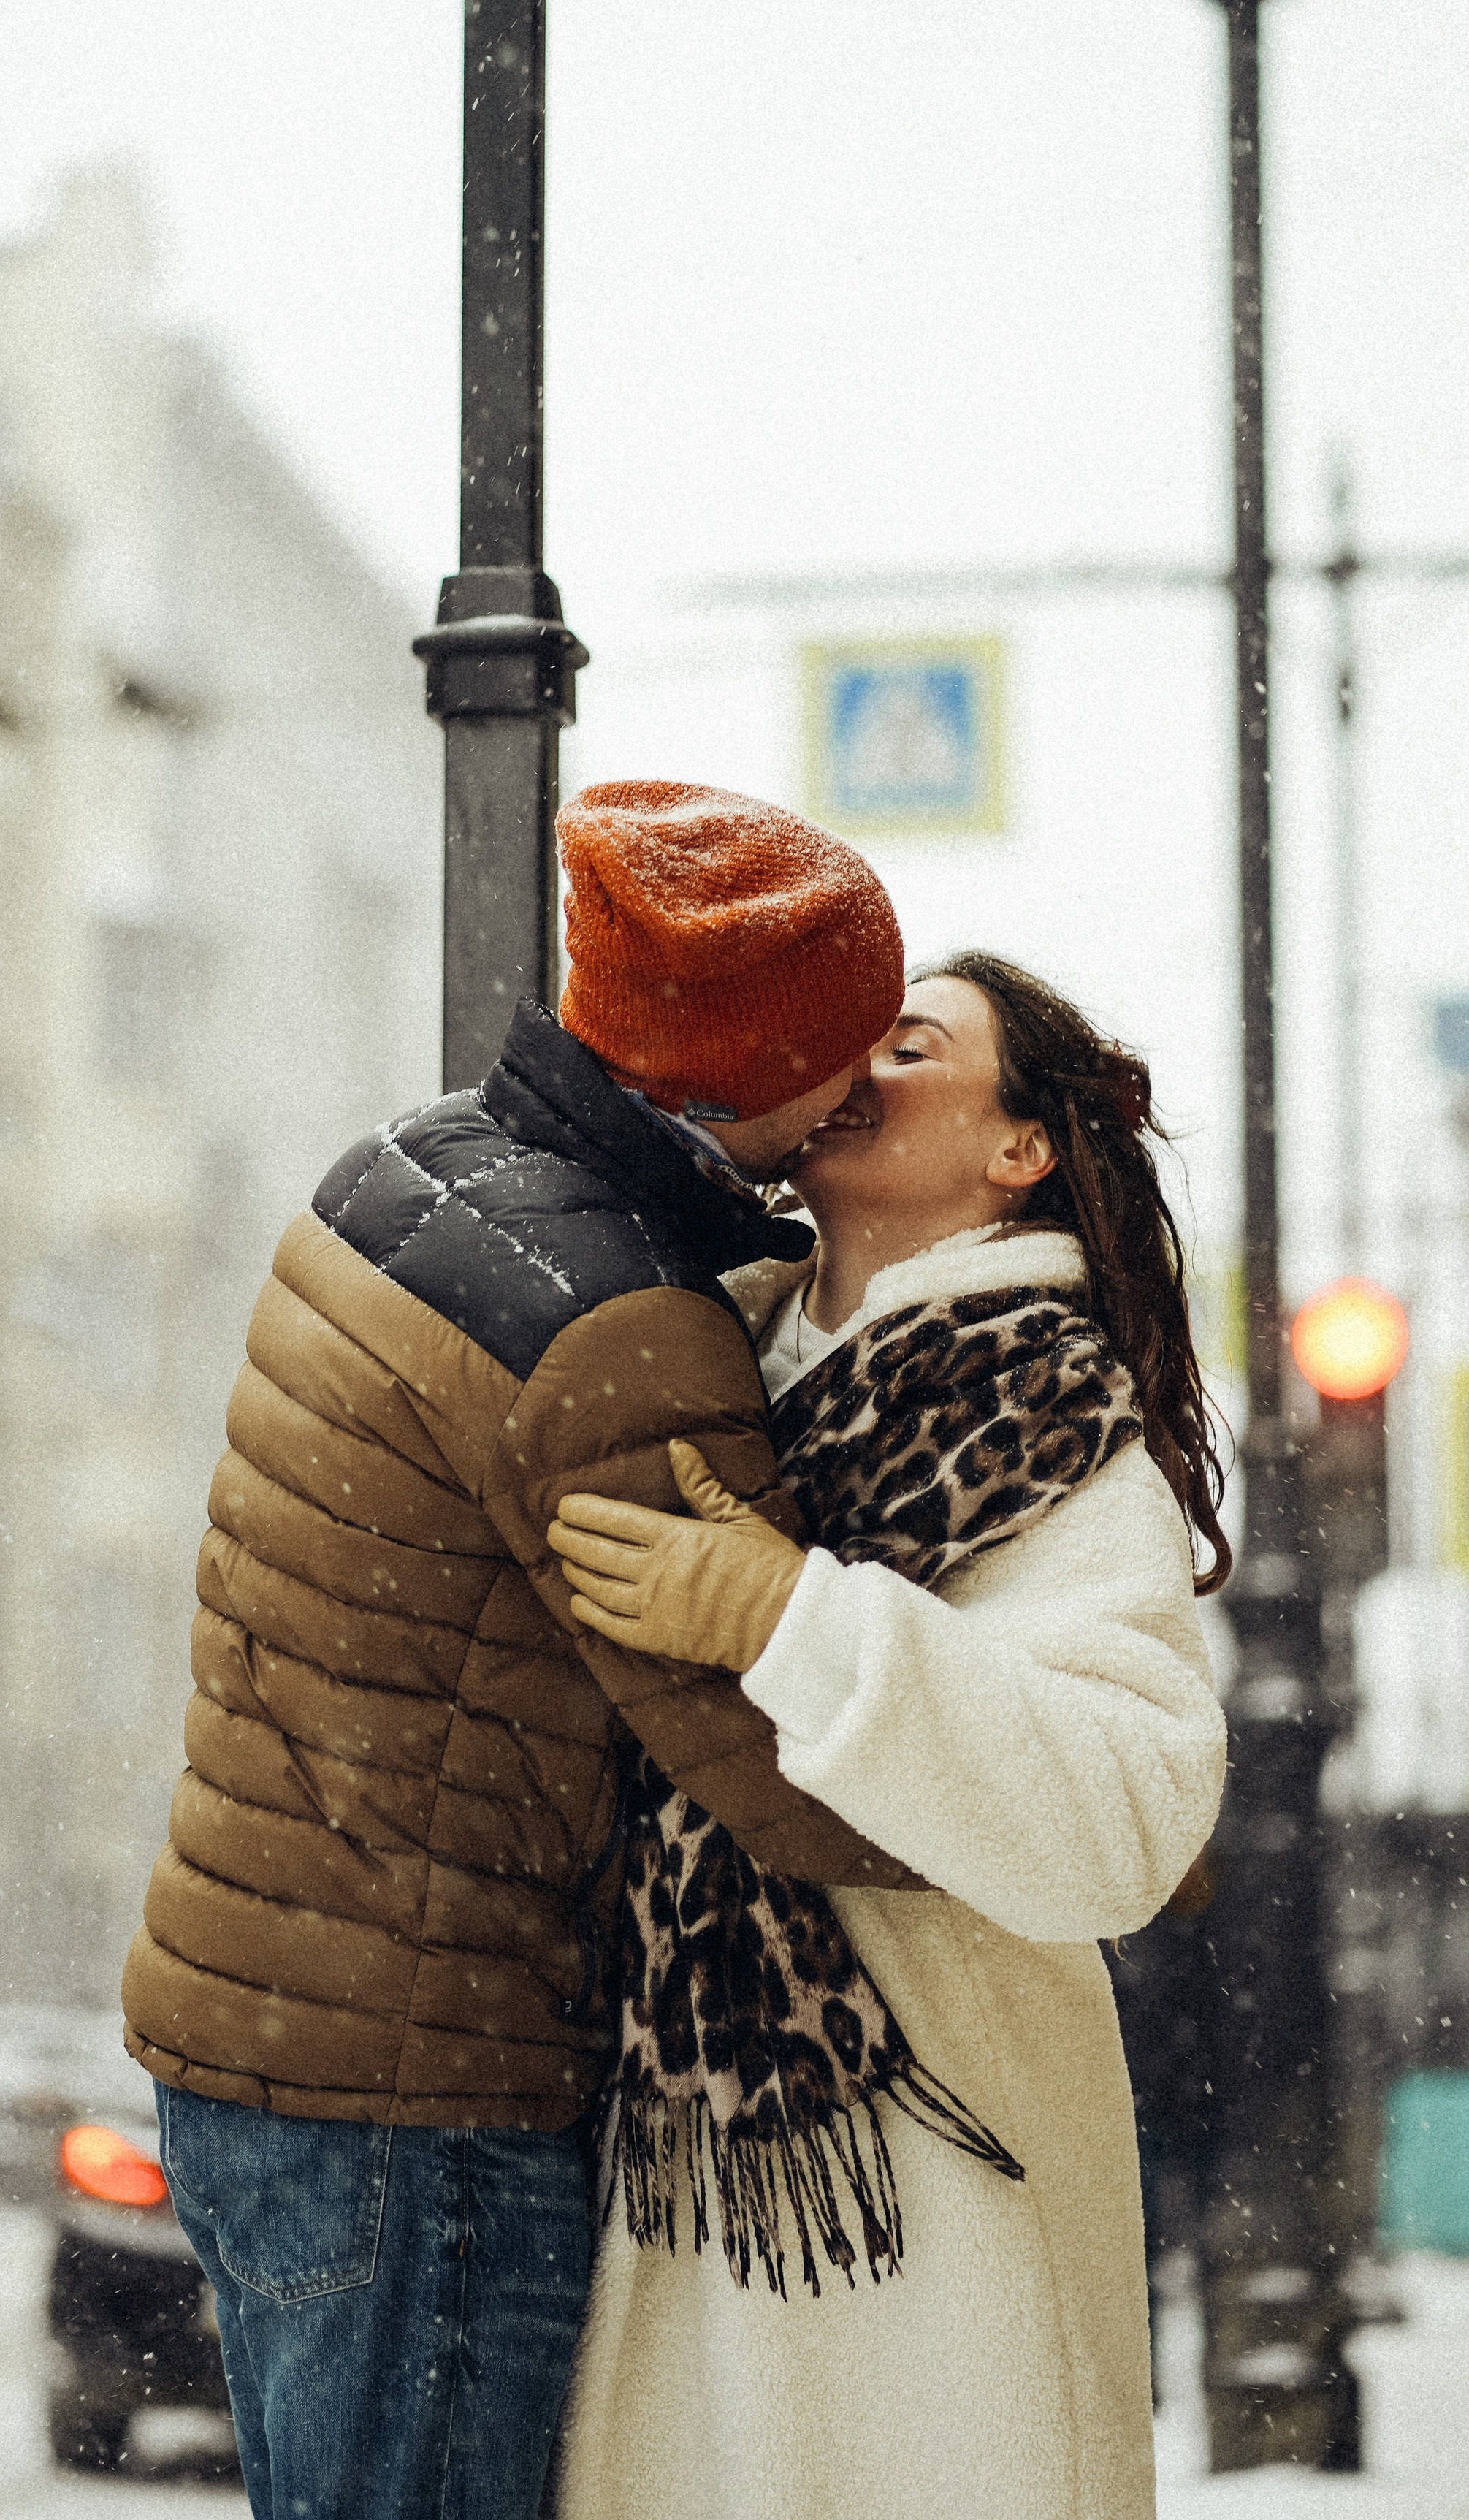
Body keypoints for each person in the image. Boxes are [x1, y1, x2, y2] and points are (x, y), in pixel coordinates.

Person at [121, 781, 910, 2520]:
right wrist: (1043, 1781)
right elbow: (791, 1771)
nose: (859, 1099)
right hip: (421, 2096)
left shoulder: (411, 1169)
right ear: (721, 1074)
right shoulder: (615, 1325)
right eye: (839, 1059)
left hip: (273, 2038)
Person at [547, 953, 1230, 2520]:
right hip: (677, 2191)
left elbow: (1126, 1821)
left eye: (911, 1045)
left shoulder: (1053, 1428)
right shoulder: (689, 1364)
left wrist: (789, 1621)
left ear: (1020, 1150)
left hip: (934, 2212)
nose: (859, 1059)